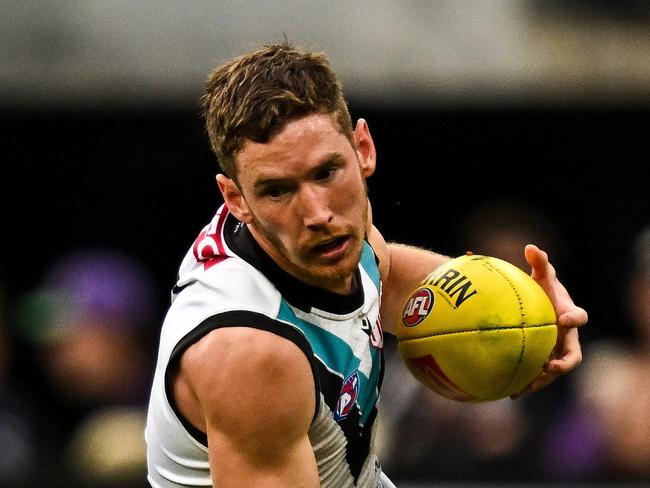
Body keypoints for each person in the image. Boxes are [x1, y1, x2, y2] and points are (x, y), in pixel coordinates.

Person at [145, 43, 587, 488]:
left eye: (326, 173)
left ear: (363, 148)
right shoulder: (253, 353)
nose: (316, 213)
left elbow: (384, 273)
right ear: (235, 198)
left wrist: (527, 311)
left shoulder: (332, 249)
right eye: (278, 191)